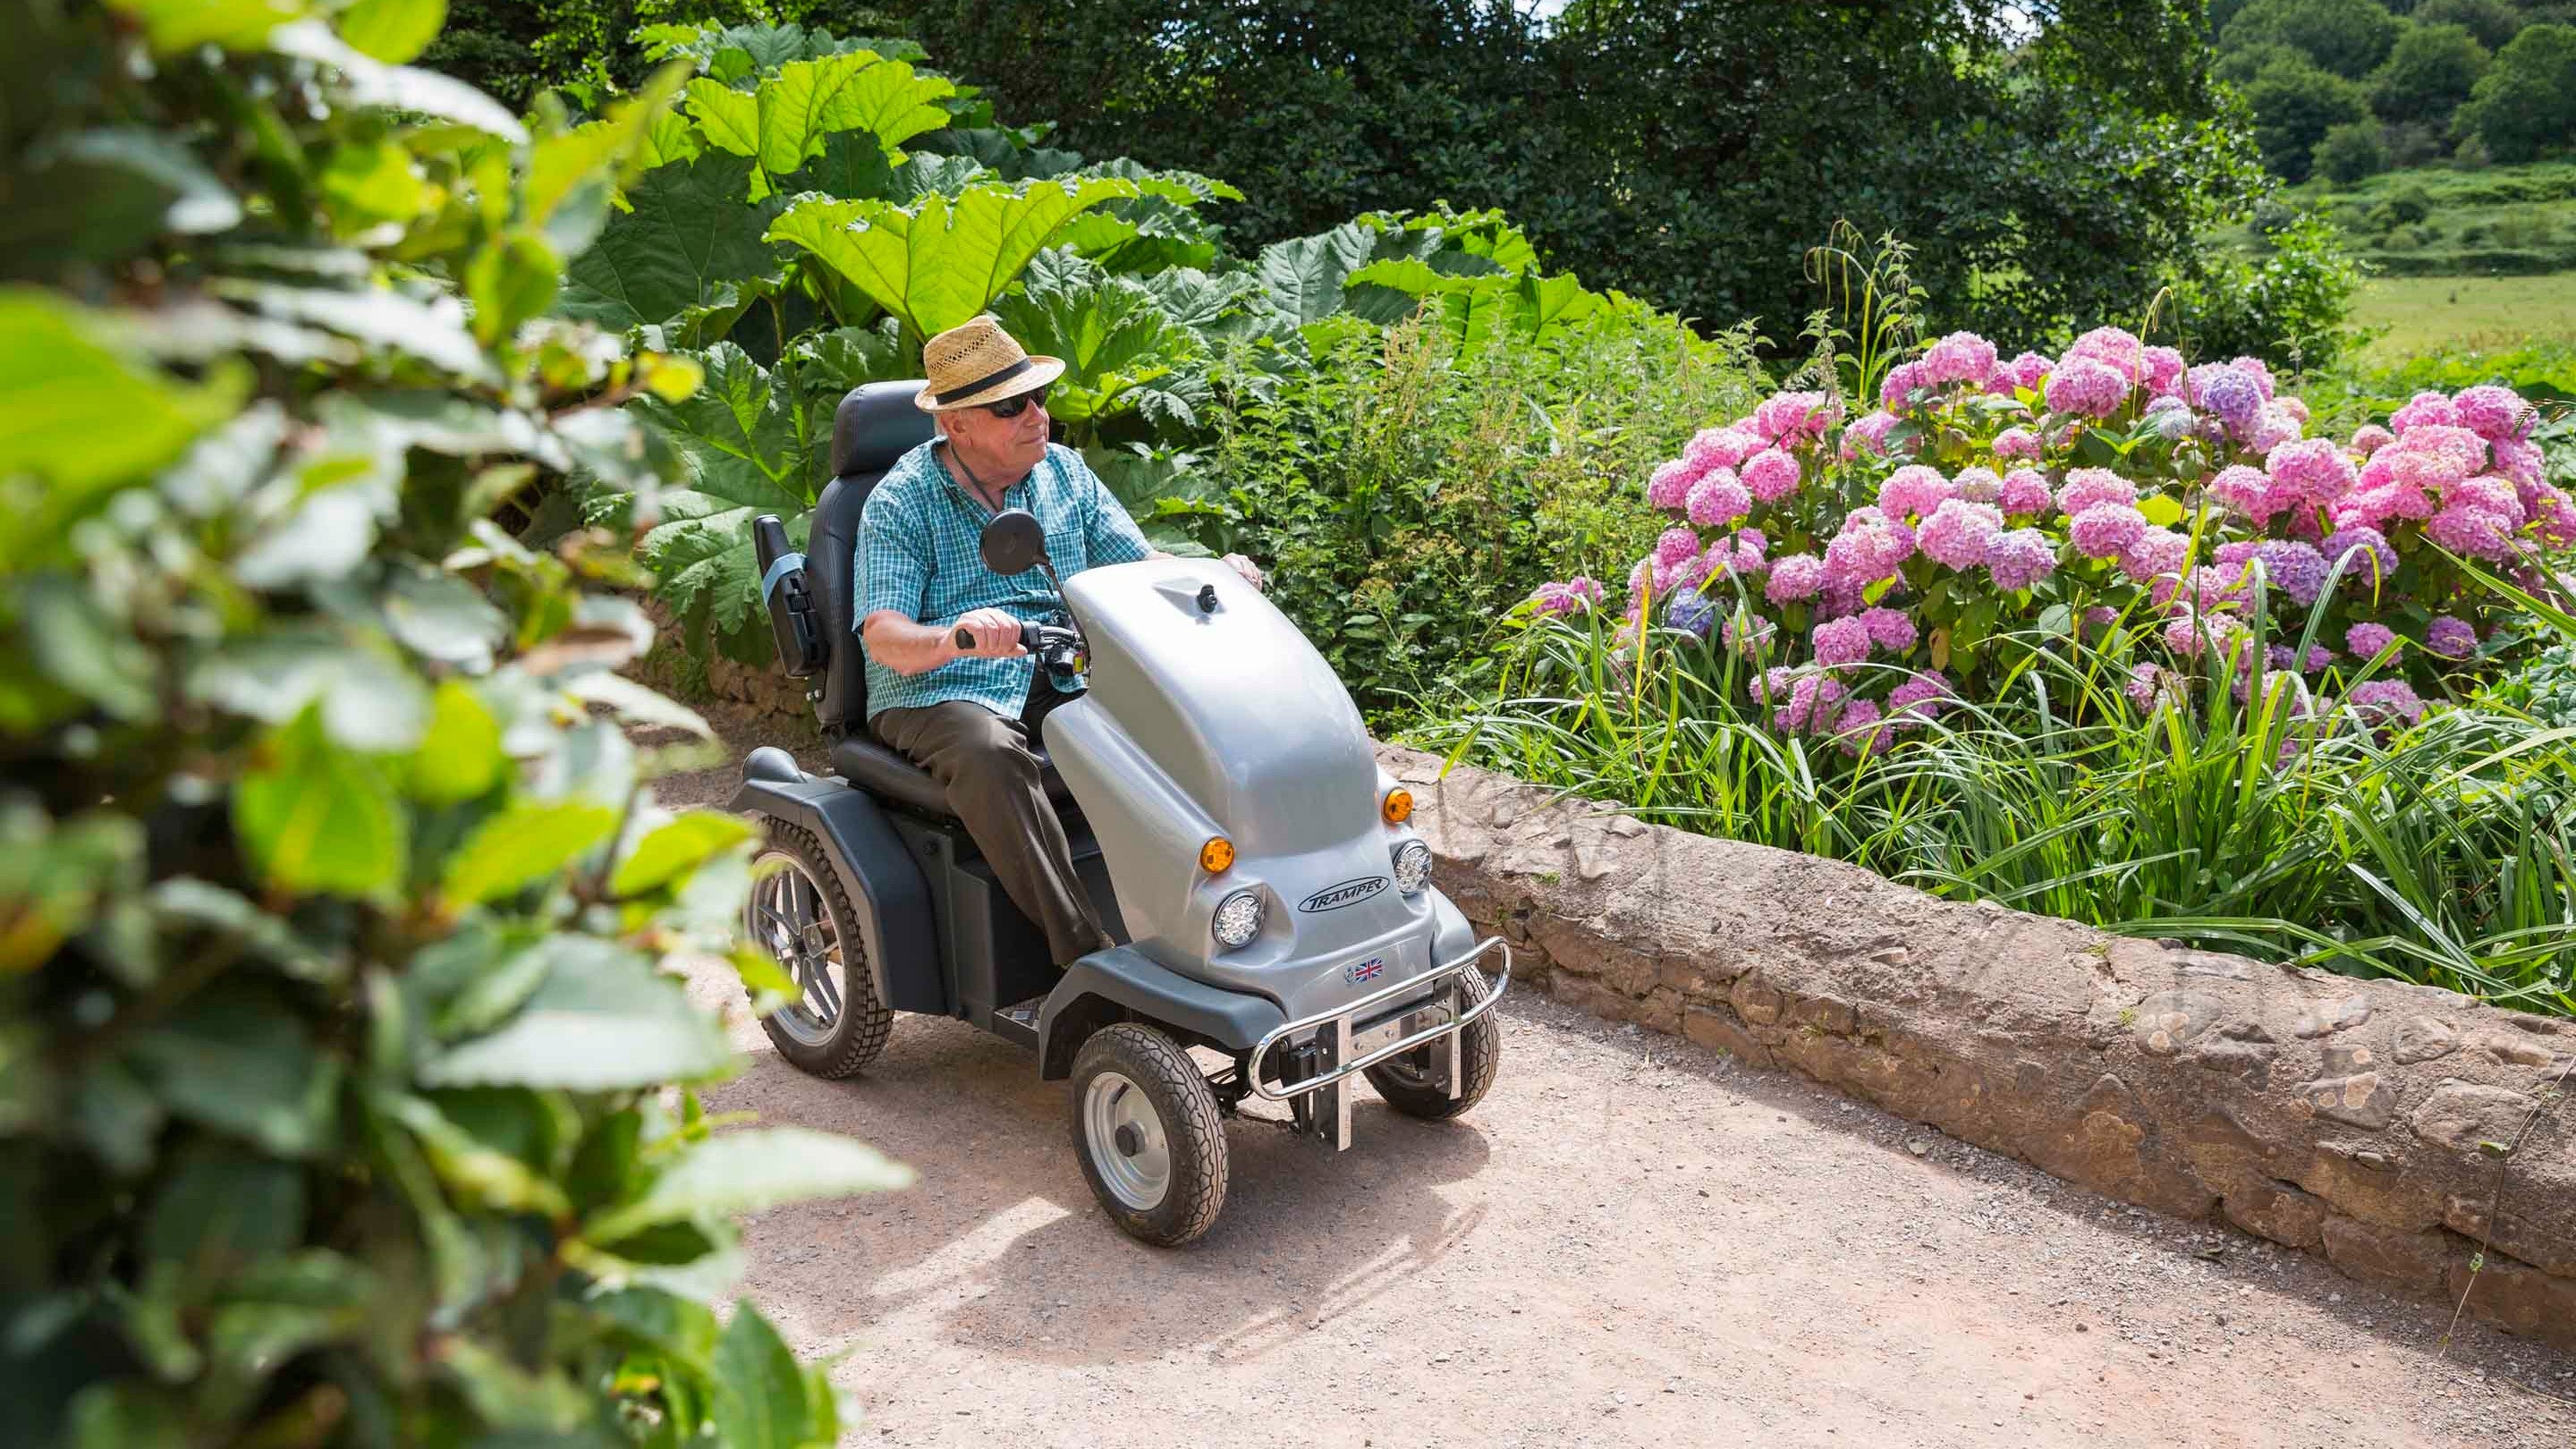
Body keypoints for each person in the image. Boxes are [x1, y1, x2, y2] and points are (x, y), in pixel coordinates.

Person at [855, 315, 1264, 967]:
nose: (1036, 415)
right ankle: (1089, 959)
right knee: (990, 750)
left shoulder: (1066, 475)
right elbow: (885, 637)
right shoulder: (901, 501)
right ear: (957, 423)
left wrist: (1213, 574)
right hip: (937, 689)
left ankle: (1219, 921)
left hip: (1062, 669)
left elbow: (1135, 568)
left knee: (1188, 722)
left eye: (1039, 396)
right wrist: (959, 637)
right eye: (1011, 405)